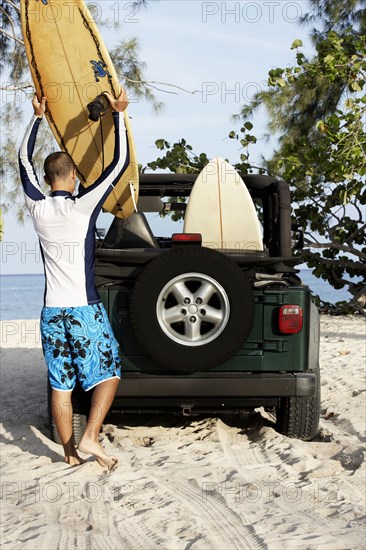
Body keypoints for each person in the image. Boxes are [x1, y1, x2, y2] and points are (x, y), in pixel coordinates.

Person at [19, 90, 129, 469]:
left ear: (48, 178)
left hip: (52, 314)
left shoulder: (36, 206)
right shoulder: (83, 206)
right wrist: (117, 116)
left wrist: (36, 117)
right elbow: (120, 164)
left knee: (61, 384)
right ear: (72, 176)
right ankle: (91, 437)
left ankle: (68, 453)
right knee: (111, 371)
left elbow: (22, 161)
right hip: (85, 311)